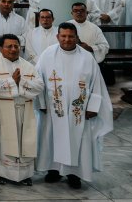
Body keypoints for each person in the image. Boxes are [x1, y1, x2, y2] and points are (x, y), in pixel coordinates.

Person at [34, 22, 113, 189]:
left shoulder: (87, 57)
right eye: (63, 36)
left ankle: (74, 174)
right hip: (53, 109)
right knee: (51, 138)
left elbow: (96, 84)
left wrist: (93, 106)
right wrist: (41, 102)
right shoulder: (47, 55)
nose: (67, 39)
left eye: (71, 36)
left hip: (79, 111)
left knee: (78, 140)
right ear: (58, 37)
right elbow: (38, 80)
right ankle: (53, 170)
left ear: (77, 37)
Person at [0, 33, 42, 186]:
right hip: (2, 111)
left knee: (25, 141)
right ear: (0, 48)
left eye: (16, 46)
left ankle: (24, 174)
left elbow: (39, 86)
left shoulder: (28, 65)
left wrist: (20, 82)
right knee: (1, 142)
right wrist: (12, 82)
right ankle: (0, 173)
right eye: (9, 46)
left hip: (25, 110)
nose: (13, 49)